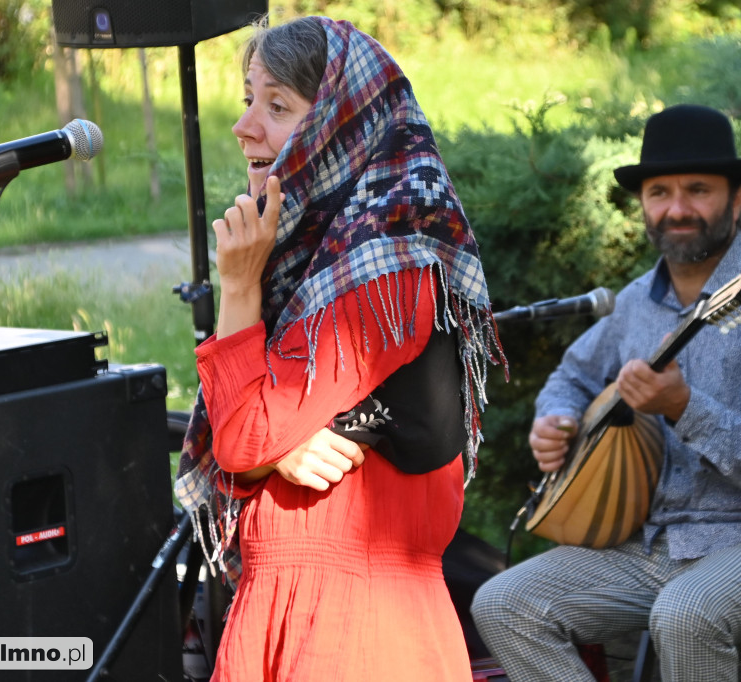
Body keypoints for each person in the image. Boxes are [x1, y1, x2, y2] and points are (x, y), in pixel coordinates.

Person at [470, 104, 741, 681]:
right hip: (653, 545)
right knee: (502, 603)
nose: (677, 209)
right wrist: (553, 420)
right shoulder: (636, 303)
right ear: (644, 203)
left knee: (686, 612)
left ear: (738, 198)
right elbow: (571, 378)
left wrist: (684, 407)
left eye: (698, 190)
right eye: (659, 192)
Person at [173, 15, 505, 682]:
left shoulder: (387, 265)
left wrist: (238, 289)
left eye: (276, 106)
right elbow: (254, 439)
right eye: (248, 99)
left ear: (341, 125)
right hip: (292, 611)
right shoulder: (307, 259)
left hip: (352, 633)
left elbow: (241, 439)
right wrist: (280, 449)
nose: (244, 127)